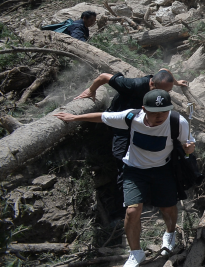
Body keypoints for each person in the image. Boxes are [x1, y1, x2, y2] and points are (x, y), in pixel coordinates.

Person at [56, 90, 195, 267]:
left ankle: (170, 233)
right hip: (134, 170)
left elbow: (188, 145)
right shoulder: (132, 117)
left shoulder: (177, 121)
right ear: (144, 109)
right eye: (154, 112)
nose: (160, 116)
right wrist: (75, 118)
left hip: (163, 170)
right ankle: (136, 253)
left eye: (164, 111)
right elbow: (103, 116)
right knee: (132, 211)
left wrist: (189, 149)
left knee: (167, 207)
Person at [76, 69, 188, 212]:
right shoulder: (132, 85)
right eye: (162, 90)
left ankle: (147, 195)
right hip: (123, 124)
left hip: (144, 125)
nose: (165, 95)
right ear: (152, 84)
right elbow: (103, 77)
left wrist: (177, 82)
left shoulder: (160, 89)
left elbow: (164, 70)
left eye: (168, 91)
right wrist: (91, 91)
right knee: (121, 159)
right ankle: (123, 205)